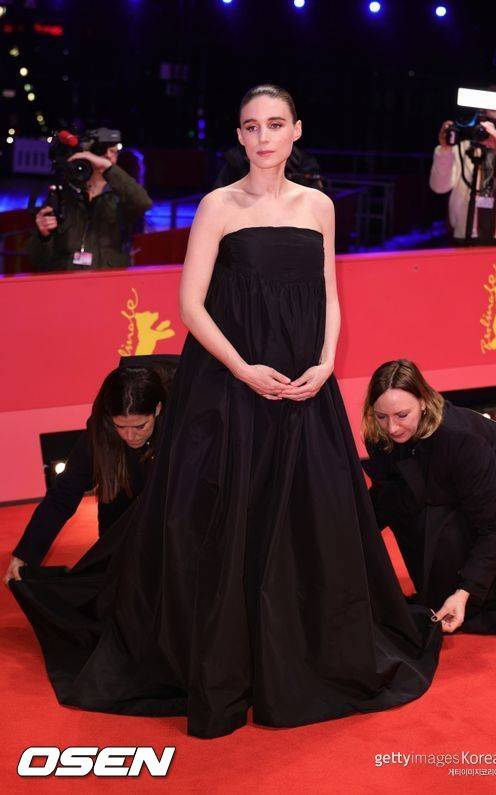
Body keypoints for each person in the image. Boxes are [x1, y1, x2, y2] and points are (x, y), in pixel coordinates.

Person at [10, 85, 441, 740]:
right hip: (231, 387)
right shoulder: (218, 205)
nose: (264, 137)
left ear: (296, 130)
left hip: (304, 386)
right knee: (224, 519)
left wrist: (326, 362)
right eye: (251, 126)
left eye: (275, 124)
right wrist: (243, 369)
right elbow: (190, 305)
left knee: (308, 518)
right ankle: (225, 661)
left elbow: (329, 292)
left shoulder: (319, 206)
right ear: (239, 136)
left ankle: (300, 653)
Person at [362, 359, 496, 637]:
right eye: (381, 416)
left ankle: (470, 597)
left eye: (402, 415)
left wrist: (465, 592)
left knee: (439, 525)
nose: (392, 428)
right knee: (400, 504)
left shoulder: (460, 439)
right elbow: (385, 498)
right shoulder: (381, 435)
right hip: (454, 493)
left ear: (424, 403)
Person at [4, 359, 176, 583]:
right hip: (119, 507)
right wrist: (25, 555)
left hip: (172, 507)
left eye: (139, 426)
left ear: (158, 409)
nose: (130, 436)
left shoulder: (180, 425)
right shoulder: (100, 432)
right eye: (120, 426)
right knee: (115, 578)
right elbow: (63, 494)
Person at [27, 128, 153, 271]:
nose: (108, 156)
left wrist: (108, 169)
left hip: (107, 279)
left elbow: (144, 202)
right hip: (68, 278)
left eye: (113, 151)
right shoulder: (63, 194)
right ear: (85, 154)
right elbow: (37, 260)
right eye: (101, 151)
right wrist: (43, 236)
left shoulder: (121, 194)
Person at [429, 86, 496, 244]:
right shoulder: (464, 148)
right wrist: (445, 149)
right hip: (468, 235)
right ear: (482, 112)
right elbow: (439, 187)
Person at [214, 142, 324, 190]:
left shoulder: (304, 162)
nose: (264, 137)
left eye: (275, 126)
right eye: (252, 128)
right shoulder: (236, 160)